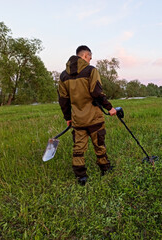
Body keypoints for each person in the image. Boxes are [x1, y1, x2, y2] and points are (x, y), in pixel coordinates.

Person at [58, 45, 117, 186]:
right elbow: (96, 92)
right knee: (99, 145)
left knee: (78, 148)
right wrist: (110, 108)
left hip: (77, 120)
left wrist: (68, 117)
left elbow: (63, 100)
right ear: (85, 56)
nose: (90, 60)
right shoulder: (91, 71)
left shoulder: (63, 76)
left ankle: (81, 177)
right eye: (89, 58)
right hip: (94, 117)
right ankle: (105, 168)